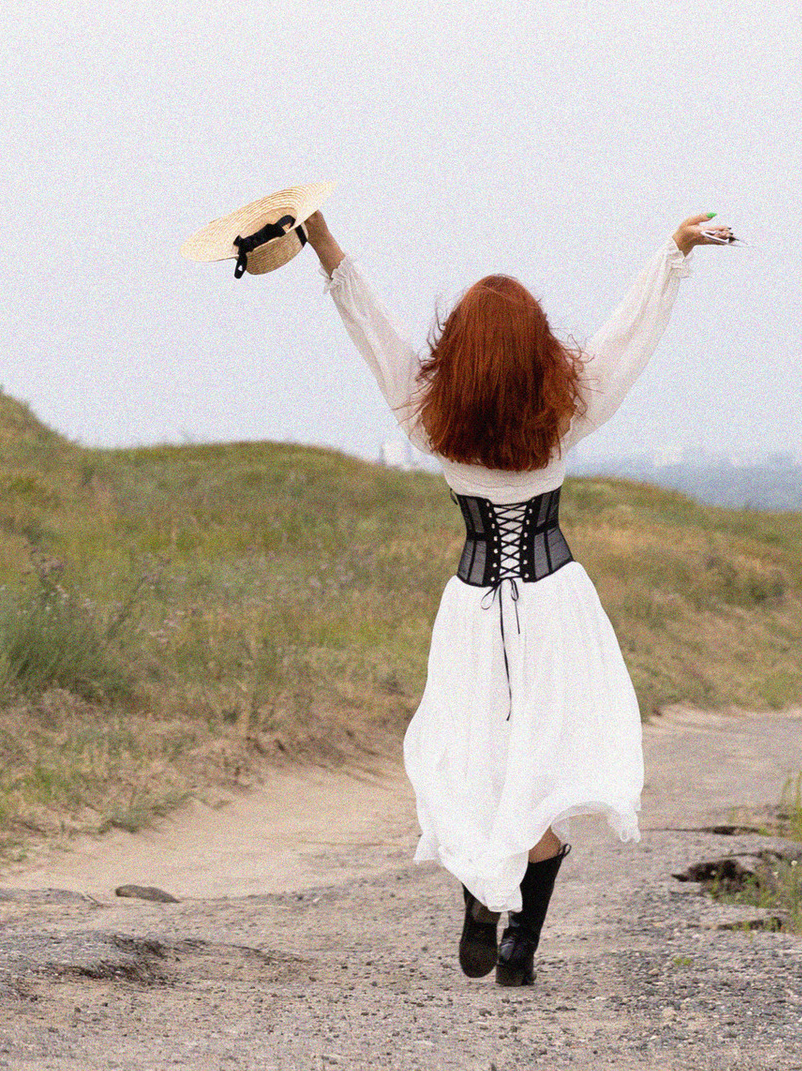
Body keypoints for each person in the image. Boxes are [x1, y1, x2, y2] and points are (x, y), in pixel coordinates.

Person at [298, 203, 732, 987]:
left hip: (471, 609)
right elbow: (626, 339)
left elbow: (374, 333)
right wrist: (672, 251)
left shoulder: (428, 416)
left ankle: (479, 891)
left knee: (477, 753)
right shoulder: (566, 410)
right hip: (555, 603)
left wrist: (324, 246)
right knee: (538, 755)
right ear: (538, 349)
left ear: (458, 352)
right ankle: (518, 939)